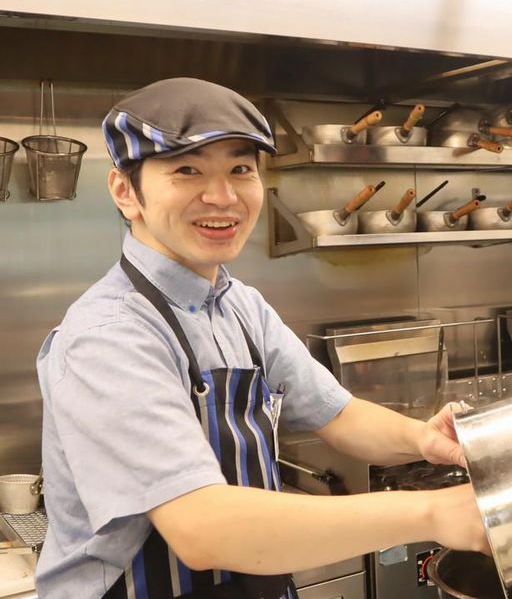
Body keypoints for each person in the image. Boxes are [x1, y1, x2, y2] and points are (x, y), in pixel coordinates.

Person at [35, 77, 488, 599]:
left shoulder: (239, 305)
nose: (222, 197)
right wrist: (433, 511)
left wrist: (423, 440)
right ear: (124, 191)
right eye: (187, 170)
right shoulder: (108, 336)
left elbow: (338, 415)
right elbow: (202, 528)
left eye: (240, 170)